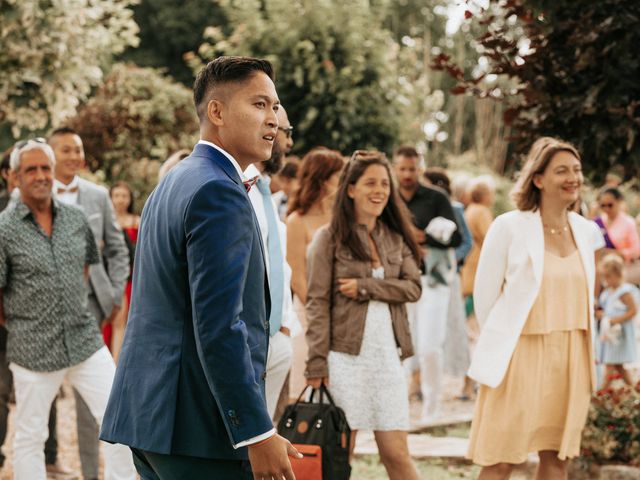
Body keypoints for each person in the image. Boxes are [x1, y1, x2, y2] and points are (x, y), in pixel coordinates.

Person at [100, 56, 301, 480]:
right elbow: (219, 326)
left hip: (151, 418)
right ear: (217, 111)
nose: (274, 119)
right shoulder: (218, 192)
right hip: (197, 429)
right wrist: (255, 431)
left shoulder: (173, 182)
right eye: (260, 105)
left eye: (275, 107)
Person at [466, 137, 605, 479]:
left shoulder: (587, 232)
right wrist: (504, 343)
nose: (573, 177)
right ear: (538, 179)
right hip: (519, 356)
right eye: (562, 171)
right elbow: (485, 300)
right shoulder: (508, 226)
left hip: (572, 355)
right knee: (500, 460)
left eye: (576, 170)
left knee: (557, 460)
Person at [0, 138, 136, 480]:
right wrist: (24, 322)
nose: (41, 175)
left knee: (120, 419)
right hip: (33, 348)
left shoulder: (76, 219)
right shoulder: (3, 230)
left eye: (45, 167)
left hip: (84, 339)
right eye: (31, 169)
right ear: (15, 177)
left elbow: (87, 268)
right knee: (31, 436)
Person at [305, 150, 422, 480]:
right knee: (340, 455)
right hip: (343, 358)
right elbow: (316, 303)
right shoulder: (327, 239)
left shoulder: (395, 238)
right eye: (371, 183)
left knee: (397, 454)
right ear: (351, 189)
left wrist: (367, 286)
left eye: (385, 184)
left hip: (387, 358)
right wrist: (316, 363)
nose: (380, 190)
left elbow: (413, 287)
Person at [49, 126, 130, 480]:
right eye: (65, 150)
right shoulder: (29, 196)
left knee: (94, 400)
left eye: (76, 149)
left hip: (91, 308)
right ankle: (44, 460)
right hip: (44, 314)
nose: (73, 156)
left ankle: (90, 474)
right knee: (40, 398)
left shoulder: (98, 196)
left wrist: (113, 293)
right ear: (50, 155)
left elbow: (116, 248)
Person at [394, 146, 461, 421]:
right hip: (399, 280)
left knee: (430, 346)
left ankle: (432, 407)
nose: (408, 174)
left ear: (420, 168)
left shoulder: (436, 198)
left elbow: (456, 238)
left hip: (433, 280)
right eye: (403, 169)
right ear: (396, 168)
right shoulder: (388, 197)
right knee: (402, 346)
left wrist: (425, 238)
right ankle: (400, 406)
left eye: (412, 168)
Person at [244, 106, 300, 419]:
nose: (289, 144)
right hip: (251, 338)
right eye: (287, 132)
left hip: (277, 334)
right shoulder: (238, 189)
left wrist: (285, 325)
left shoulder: (264, 191)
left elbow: (276, 264)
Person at [286, 147, 344, 397]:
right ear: (322, 179)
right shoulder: (297, 221)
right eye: (339, 175)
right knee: (305, 393)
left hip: (344, 314)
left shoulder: (343, 220)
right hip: (309, 314)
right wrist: (322, 312)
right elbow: (297, 277)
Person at [423, 168, 474, 400]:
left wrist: (452, 260)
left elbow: (466, 242)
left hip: (448, 277)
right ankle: (418, 382)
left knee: (455, 328)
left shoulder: (454, 209)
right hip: (425, 277)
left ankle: (467, 381)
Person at [109, 181, 140, 362]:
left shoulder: (137, 221)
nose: (120, 200)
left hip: (133, 277)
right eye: (117, 195)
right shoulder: (107, 221)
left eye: (124, 196)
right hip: (113, 277)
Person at [596, 254, 638, 389]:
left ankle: (601, 393)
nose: (605, 280)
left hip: (620, 336)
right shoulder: (607, 293)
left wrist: (616, 320)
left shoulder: (624, 292)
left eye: (608, 276)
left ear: (618, 274)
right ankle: (634, 391)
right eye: (604, 276)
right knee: (618, 366)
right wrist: (602, 315)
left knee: (610, 364)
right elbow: (608, 311)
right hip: (610, 335)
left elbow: (633, 311)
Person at [460, 177, 495, 316]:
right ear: (485, 195)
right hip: (479, 258)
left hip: (470, 256)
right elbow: (490, 237)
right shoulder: (481, 211)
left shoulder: (470, 209)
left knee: (471, 292)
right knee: (476, 293)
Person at [594, 187, 640, 263]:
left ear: (618, 202)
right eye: (603, 205)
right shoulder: (597, 222)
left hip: (621, 268)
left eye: (610, 205)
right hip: (599, 267)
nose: (606, 209)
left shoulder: (628, 222)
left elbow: (636, 250)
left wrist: (616, 253)